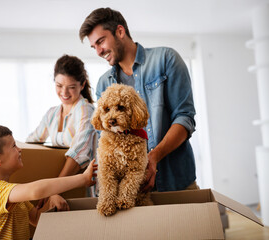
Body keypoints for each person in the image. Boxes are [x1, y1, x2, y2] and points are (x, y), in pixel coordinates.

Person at [79, 8, 198, 192]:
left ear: (120, 31)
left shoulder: (166, 59)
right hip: (133, 191)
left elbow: (185, 118)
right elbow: (107, 137)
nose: (98, 51)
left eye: (100, 41)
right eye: (94, 47)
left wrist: (153, 157)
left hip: (176, 182)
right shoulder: (104, 83)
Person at [0, 125, 97, 240]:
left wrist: (51, 200)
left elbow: (37, 219)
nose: (19, 149)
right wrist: (82, 179)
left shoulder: (13, 194)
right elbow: (35, 191)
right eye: (14, 146)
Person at [26, 55, 96, 178]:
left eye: (71, 87)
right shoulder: (52, 114)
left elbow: (80, 151)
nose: (64, 93)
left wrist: (57, 186)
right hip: (60, 183)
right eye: (59, 86)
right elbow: (32, 140)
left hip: (82, 184)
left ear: (82, 85)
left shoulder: (86, 110)